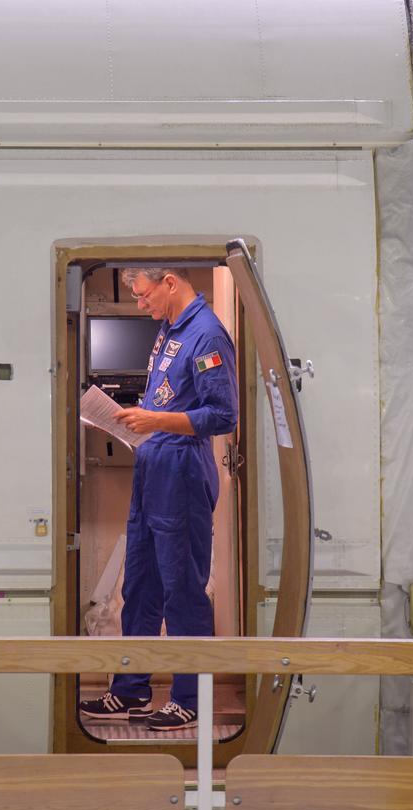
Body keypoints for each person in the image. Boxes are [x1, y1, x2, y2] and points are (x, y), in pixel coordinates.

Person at [78, 267, 238, 731]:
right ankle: (129, 691)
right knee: (141, 586)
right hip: (152, 469)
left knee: (183, 590)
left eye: (144, 295)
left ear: (169, 281)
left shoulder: (207, 335)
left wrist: (155, 422)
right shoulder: (169, 329)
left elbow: (222, 415)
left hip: (182, 474)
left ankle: (192, 698)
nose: (140, 305)